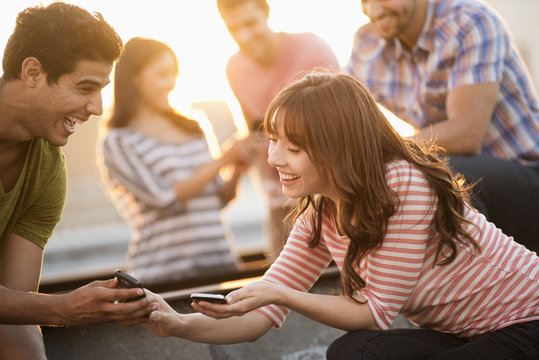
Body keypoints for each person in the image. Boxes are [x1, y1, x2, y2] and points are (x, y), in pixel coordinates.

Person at [141, 73, 539, 359]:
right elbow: (259, 318)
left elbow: (375, 314)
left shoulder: (401, 184)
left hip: (527, 321)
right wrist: (176, 323)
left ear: (338, 149)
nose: (273, 158)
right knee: (354, 352)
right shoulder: (321, 210)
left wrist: (280, 292)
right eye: (274, 140)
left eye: (293, 148)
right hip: (471, 335)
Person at [0, 3, 155, 359]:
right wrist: (63, 308)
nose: (97, 107)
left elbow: (14, 307)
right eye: (85, 87)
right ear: (33, 72)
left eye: (101, 90)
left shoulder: (48, 170)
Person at [343, 0, 539, 252]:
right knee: (382, 176)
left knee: (440, 174)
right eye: (365, 1)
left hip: (526, 176)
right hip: (464, 174)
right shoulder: (367, 43)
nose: (373, 10)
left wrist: (385, 150)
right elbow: (341, 112)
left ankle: (469, 286)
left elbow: (466, 133)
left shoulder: (469, 22)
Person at [98, 37, 254, 285]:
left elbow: (219, 199)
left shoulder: (194, 126)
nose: (170, 83)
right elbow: (164, 199)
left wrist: (236, 167)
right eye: (162, 74)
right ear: (134, 78)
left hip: (220, 264)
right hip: (163, 278)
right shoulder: (119, 141)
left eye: (173, 75)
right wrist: (223, 159)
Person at [217, 0, 340, 261]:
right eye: (233, 29)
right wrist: (237, 177)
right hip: (278, 195)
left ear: (266, 12)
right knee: (280, 278)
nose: (244, 36)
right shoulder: (234, 67)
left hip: (327, 192)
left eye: (250, 24)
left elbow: (339, 123)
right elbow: (253, 128)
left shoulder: (312, 47)